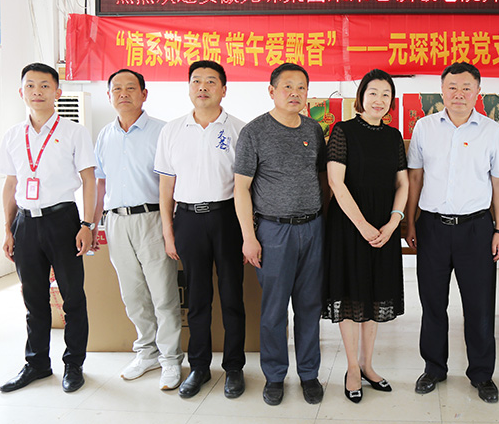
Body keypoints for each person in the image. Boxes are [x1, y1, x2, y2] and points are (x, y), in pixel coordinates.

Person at [405, 62, 499, 404]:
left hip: (477, 229)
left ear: (478, 91)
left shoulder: (492, 130)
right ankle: (434, 367)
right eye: (452, 87)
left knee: (479, 306)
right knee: (433, 303)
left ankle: (482, 374)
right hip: (432, 226)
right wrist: (410, 221)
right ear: (442, 90)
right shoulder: (424, 127)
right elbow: (415, 178)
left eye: (467, 87)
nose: (459, 94)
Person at [0, 62, 95, 393]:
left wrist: (87, 224)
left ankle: (74, 364)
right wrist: (8, 229)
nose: (36, 92)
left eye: (44, 86)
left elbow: (89, 179)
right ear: (21, 91)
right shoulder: (13, 135)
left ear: (57, 92)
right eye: (30, 86)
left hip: (62, 220)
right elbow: (11, 184)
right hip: (25, 222)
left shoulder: (74, 132)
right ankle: (37, 363)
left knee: (72, 297)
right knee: (33, 299)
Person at [233, 63, 327, 406]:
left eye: (301, 87)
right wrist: (249, 237)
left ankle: (309, 374)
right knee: (274, 310)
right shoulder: (255, 132)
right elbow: (241, 188)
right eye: (287, 86)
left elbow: (322, 178)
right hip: (273, 231)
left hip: (313, 228)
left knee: (309, 307)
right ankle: (274, 376)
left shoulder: (314, 129)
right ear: (271, 91)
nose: (295, 93)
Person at [154, 60, 246, 399]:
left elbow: (246, 187)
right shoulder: (172, 130)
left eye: (210, 81)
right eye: (196, 81)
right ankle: (199, 367)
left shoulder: (239, 130)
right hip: (188, 220)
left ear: (224, 89)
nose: (202, 87)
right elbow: (166, 187)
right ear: (189, 87)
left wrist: (247, 232)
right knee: (197, 300)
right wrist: (168, 232)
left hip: (227, 218)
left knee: (232, 297)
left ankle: (234, 368)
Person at [92, 69, 183, 390]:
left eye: (131, 88)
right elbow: (100, 184)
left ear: (144, 94)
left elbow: (172, 183)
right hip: (116, 222)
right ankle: (147, 352)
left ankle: (171, 359)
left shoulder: (163, 132)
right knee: (133, 294)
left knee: (163, 293)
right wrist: (93, 223)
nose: (123, 94)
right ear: (109, 96)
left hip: (152, 218)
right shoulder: (104, 135)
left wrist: (170, 226)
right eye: (116, 89)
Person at [322, 69, 409, 404]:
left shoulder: (393, 136)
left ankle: (368, 365)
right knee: (350, 297)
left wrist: (393, 222)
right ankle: (351, 369)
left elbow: (403, 183)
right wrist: (362, 225)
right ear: (361, 96)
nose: (379, 100)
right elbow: (336, 182)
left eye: (386, 94)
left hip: (384, 227)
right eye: (373, 93)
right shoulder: (342, 131)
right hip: (349, 226)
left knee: (375, 295)